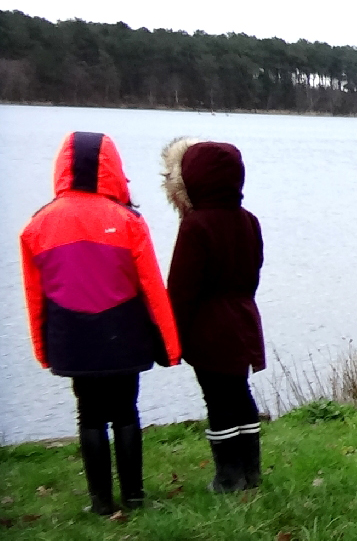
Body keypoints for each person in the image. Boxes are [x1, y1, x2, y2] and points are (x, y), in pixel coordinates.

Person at [18, 131, 180, 516]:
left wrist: (44, 349)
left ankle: (101, 502)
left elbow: (34, 296)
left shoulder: (38, 225)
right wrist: (170, 346)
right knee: (126, 412)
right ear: (113, 168)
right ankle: (135, 497)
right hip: (124, 332)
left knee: (88, 415)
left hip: (74, 336)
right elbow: (153, 289)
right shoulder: (128, 221)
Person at [163, 138, 266, 491]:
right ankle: (251, 471)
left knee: (218, 399)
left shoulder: (195, 226)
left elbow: (181, 288)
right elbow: (253, 273)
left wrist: (170, 336)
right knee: (240, 393)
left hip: (208, 327)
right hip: (243, 318)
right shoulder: (249, 221)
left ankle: (227, 475)